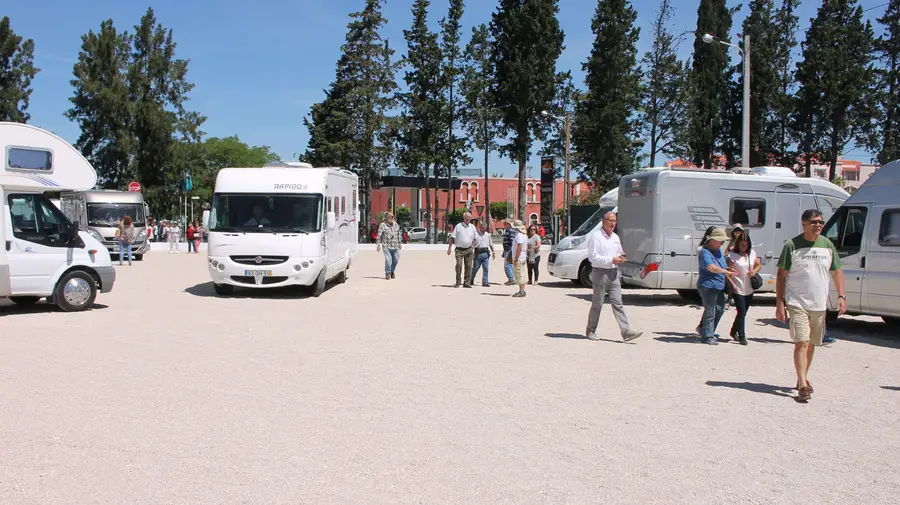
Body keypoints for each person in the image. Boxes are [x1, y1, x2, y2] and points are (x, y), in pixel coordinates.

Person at [776, 209, 846, 403]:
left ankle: (802, 377)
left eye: (821, 222)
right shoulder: (792, 245)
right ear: (804, 223)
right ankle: (803, 383)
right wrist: (780, 303)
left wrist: (841, 296)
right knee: (802, 341)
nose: (818, 225)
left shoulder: (827, 245)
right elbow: (781, 276)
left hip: (819, 303)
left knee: (812, 344)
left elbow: (837, 271)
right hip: (797, 302)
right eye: (814, 222)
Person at [584, 211, 643, 342]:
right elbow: (593, 258)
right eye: (610, 220)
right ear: (603, 221)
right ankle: (590, 330)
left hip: (614, 274)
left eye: (614, 221)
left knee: (618, 303)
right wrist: (611, 260)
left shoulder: (615, 237)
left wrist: (621, 257)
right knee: (597, 303)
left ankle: (626, 331)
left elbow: (619, 252)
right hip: (600, 273)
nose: (613, 223)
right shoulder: (596, 237)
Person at [697, 228, 738, 345]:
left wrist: (728, 269)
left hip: (719, 285)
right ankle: (707, 336)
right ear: (713, 240)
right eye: (721, 241)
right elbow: (710, 267)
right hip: (707, 285)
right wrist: (725, 272)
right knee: (710, 311)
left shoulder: (718, 251)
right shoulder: (705, 251)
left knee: (720, 309)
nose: (722, 243)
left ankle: (706, 330)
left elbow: (722, 265)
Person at [726, 233, 761, 346]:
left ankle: (733, 331)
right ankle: (742, 335)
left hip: (749, 287)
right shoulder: (732, 255)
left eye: (745, 245)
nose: (743, 247)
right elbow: (727, 271)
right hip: (738, 287)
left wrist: (754, 272)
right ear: (738, 244)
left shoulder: (752, 253)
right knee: (741, 311)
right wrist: (732, 284)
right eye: (741, 244)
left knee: (743, 312)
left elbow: (758, 265)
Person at [447, 212, 477, 287]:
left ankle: (466, 283)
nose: (467, 218)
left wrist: (473, 246)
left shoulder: (472, 227)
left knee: (469, 266)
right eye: (466, 217)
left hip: (469, 249)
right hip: (459, 250)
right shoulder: (458, 226)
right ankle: (458, 282)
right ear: (464, 218)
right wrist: (449, 248)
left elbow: (475, 238)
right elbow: (452, 238)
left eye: (469, 217)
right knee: (459, 265)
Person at [376, 212, 402, 280]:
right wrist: (378, 245)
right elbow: (379, 235)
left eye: (393, 217)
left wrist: (400, 243)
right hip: (386, 246)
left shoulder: (395, 224)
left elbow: (398, 233)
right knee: (388, 260)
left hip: (395, 246)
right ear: (387, 218)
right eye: (391, 217)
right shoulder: (383, 225)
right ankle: (388, 273)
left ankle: (392, 271)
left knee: (396, 260)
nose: (393, 218)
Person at [470, 220, 495, 287]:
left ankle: (485, 282)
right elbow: (473, 243)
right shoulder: (476, 234)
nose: (484, 229)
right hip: (478, 253)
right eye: (482, 228)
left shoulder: (488, 235)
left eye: (485, 228)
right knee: (475, 268)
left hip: (485, 253)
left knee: (486, 268)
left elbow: (491, 244)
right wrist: (471, 252)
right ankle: (471, 279)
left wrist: (493, 252)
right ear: (480, 227)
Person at [510, 220, 529, 297]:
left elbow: (519, 247)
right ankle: (522, 289)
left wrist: (516, 258)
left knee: (519, 273)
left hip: (519, 257)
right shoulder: (524, 235)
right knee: (523, 273)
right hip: (523, 256)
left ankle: (521, 291)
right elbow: (526, 246)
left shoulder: (518, 236)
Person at [501, 220, 517, 286]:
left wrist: (510, 251)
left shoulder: (510, 231)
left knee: (507, 265)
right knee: (510, 265)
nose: (504, 225)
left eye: (504, 224)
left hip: (509, 250)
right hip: (507, 250)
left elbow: (512, 241)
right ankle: (511, 279)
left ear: (508, 224)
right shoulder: (508, 231)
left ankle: (511, 279)